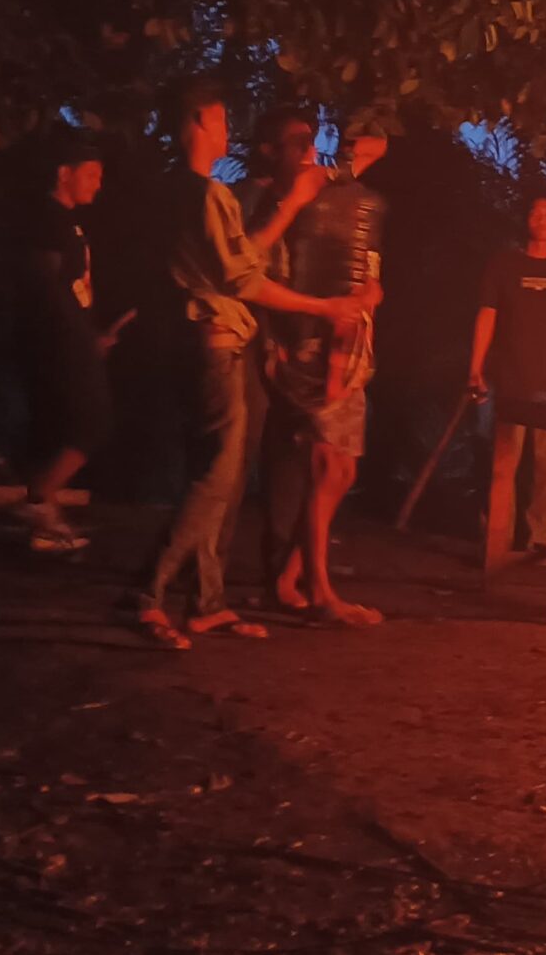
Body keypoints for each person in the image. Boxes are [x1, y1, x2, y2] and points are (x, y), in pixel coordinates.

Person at [131, 80, 373, 651]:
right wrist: (324, 304)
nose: (225, 132)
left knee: (227, 478)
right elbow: (243, 280)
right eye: (218, 121)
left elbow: (244, 255)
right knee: (215, 476)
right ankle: (146, 593)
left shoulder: (184, 193)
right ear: (195, 124)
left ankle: (208, 603)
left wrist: (295, 204)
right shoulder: (205, 194)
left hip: (209, 343)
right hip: (214, 342)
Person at [245, 107, 387, 628]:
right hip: (299, 348)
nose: (309, 148)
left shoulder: (330, 192)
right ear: (269, 151)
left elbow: (376, 144)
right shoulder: (263, 205)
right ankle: (320, 589)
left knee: (341, 468)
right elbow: (248, 273)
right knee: (325, 464)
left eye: (312, 139)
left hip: (344, 342)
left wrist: (368, 293)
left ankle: (292, 576)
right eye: (296, 140)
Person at [11, 130, 133, 553]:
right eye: (92, 174)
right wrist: (81, 338)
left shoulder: (68, 221)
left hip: (74, 339)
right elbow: (45, 287)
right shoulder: (47, 220)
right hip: (61, 344)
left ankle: (44, 518)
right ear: (65, 174)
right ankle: (38, 500)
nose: (98, 183)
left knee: (67, 425)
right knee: (91, 422)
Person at [469, 192, 546, 562]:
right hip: (509, 380)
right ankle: (496, 539)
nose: (539, 217)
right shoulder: (504, 265)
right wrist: (475, 367)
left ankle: (540, 538)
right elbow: (487, 314)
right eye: (535, 211)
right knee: (502, 461)